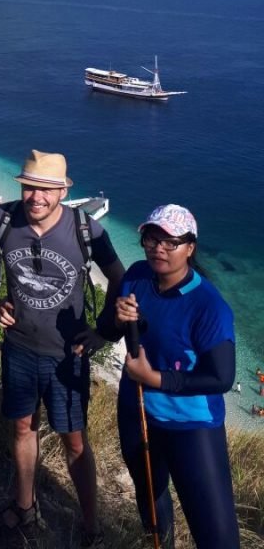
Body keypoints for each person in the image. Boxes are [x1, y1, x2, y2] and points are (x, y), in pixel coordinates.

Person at [0, 150, 124, 547]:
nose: (37, 196)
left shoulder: (86, 230)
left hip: (67, 355)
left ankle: (91, 526)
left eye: (47, 189)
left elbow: (121, 279)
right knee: (22, 427)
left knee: (74, 440)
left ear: (63, 191)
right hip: (17, 347)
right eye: (30, 187)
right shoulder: (1, 219)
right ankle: (25, 508)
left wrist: (104, 332)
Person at [99, 204, 239, 549]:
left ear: (190, 247)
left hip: (192, 426)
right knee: (151, 500)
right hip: (137, 411)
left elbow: (221, 377)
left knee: (216, 533)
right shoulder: (135, 277)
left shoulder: (208, 305)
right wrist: (117, 321)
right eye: (151, 238)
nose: (158, 248)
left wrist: (155, 378)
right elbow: (108, 330)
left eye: (170, 242)